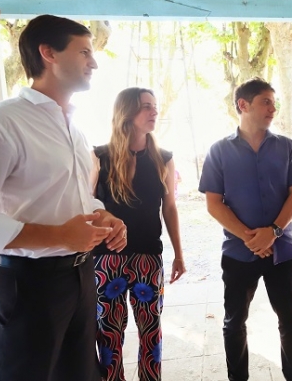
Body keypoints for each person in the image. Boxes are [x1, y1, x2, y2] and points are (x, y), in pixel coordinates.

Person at [0, 14, 127, 381]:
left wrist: (103, 216)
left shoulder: (74, 129)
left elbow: (73, 199)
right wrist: (60, 236)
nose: (94, 62)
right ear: (48, 53)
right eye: (84, 51)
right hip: (25, 286)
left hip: (80, 277)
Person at [198, 78, 292, 381]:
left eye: (274, 102)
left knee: (290, 320)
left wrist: (272, 231)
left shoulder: (285, 146)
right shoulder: (219, 151)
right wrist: (251, 238)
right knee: (234, 322)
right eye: (266, 101)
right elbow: (214, 203)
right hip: (237, 253)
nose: (273, 108)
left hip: (282, 251)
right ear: (243, 105)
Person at [92, 87, 186, 381]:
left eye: (155, 106)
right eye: (146, 106)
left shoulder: (164, 158)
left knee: (151, 332)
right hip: (107, 258)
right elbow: (87, 206)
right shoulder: (99, 157)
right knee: (109, 334)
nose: (154, 111)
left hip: (149, 255)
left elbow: (169, 208)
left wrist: (179, 254)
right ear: (127, 113)